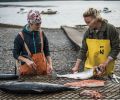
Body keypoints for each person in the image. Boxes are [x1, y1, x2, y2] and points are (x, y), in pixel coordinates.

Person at [72, 8, 120, 76]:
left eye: (89, 22)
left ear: (96, 19)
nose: (87, 25)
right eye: (86, 22)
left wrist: (105, 63)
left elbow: (116, 48)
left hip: (106, 67)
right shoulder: (88, 32)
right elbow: (83, 50)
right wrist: (76, 66)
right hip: (89, 68)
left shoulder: (111, 29)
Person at [13, 10, 53, 76]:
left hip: (42, 71)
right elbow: (15, 54)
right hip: (27, 73)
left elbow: (47, 52)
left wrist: (50, 65)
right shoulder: (20, 36)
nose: (39, 26)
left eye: (40, 23)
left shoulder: (42, 34)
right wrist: (26, 60)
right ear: (30, 23)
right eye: (37, 24)